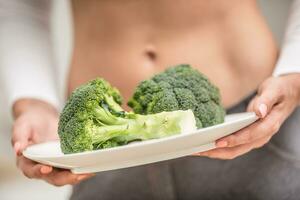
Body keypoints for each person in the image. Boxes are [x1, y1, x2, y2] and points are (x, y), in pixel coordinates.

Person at [1, 0, 300, 199]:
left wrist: (294, 73)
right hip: (101, 157)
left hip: (250, 127)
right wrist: (34, 102)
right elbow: (20, 6)